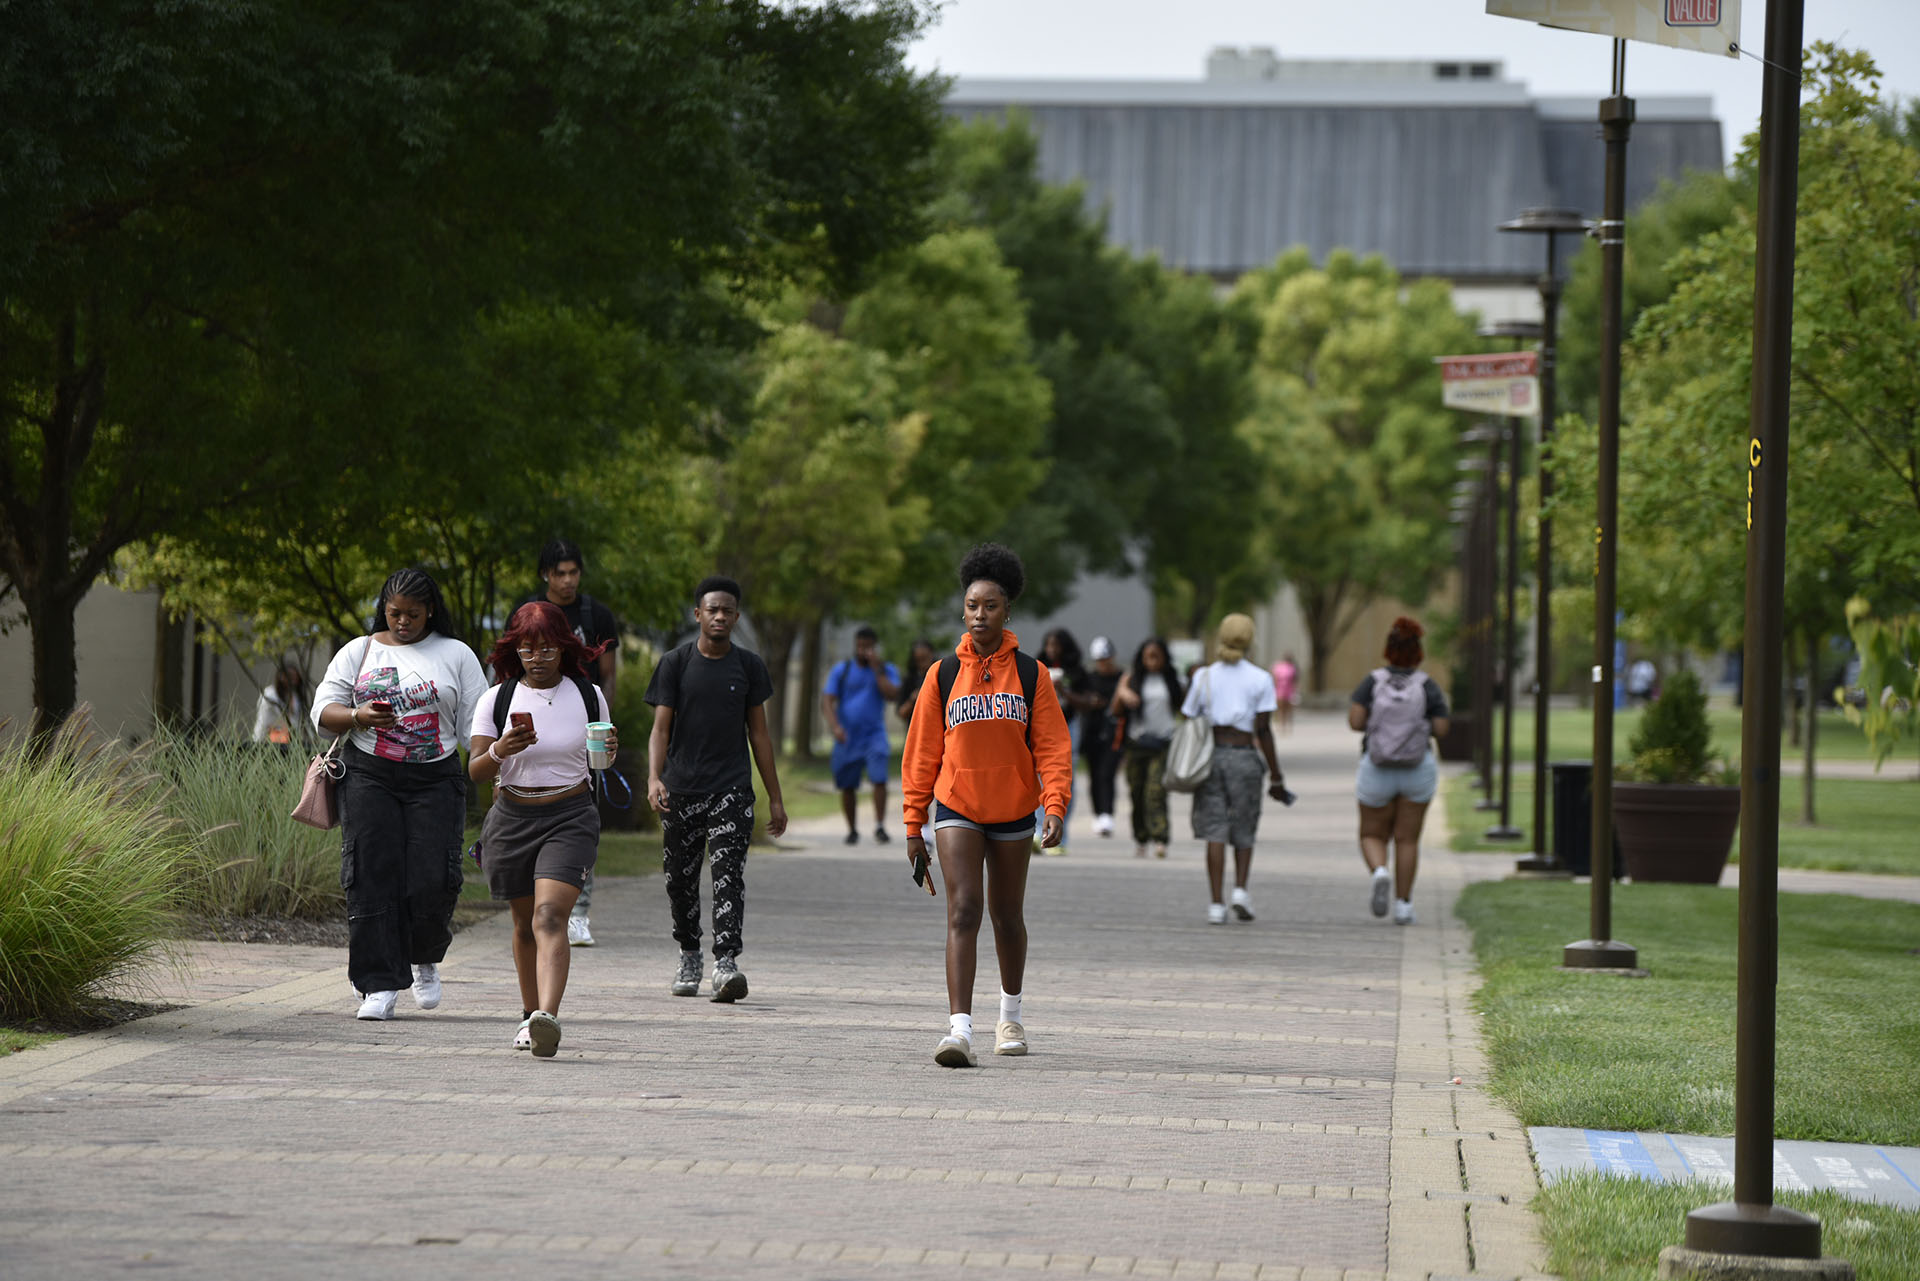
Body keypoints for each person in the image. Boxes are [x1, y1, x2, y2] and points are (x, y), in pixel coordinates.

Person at [901, 543, 1072, 1068]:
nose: (980, 615)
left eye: (990, 606)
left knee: (1007, 915)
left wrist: (1055, 804)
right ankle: (958, 1031)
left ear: (1007, 610)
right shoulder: (942, 674)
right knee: (964, 909)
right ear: (963, 609)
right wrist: (913, 824)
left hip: (1015, 810)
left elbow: (1052, 746)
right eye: (972, 606)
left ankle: (1010, 1015)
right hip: (957, 806)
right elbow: (922, 752)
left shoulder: (1031, 674)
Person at [312, 568, 487, 1021]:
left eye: (413, 613)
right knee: (371, 873)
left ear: (431, 610)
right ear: (383, 610)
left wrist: (499, 768)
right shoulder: (359, 651)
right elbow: (323, 711)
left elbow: (476, 728)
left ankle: (422, 955)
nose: (403, 622)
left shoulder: (457, 654)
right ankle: (378, 983)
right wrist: (358, 715)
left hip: (436, 777)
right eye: (394, 613)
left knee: (433, 877)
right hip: (370, 773)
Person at [468, 602, 616, 1056]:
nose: (538, 658)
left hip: (570, 815)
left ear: (564, 648)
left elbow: (600, 764)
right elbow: (474, 771)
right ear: (516, 650)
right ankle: (528, 1015)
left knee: (549, 916)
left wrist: (609, 749)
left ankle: (546, 1018)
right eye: (528, 649)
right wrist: (500, 749)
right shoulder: (498, 698)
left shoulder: (588, 694)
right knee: (523, 923)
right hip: (512, 818)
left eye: (548, 648)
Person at [644, 576, 788, 1002]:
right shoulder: (675, 663)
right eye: (712, 610)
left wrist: (774, 797)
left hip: (731, 790)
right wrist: (654, 778)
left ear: (737, 616)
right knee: (680, 881)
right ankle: (690, 953)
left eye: (728, 610)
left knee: (728, 877)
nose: (720, 616)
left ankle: (726, 964)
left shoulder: (748, 666)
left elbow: (759, 736)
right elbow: (660, 729)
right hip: (680, 789)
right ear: (698, 615)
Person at [517, 538, 619, 948]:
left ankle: (579, 911)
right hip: (533, 725)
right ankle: (537, 905)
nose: (568, 580)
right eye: (560, 572)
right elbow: (509, 666)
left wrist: (601, 718)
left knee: (582, 815)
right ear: (546, 575)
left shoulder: (597, 615)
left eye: (574, 572)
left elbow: (608, 674)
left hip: (582, 722)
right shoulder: (527, 612)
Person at [1182, 613, 1289, 924]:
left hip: (1211, 756)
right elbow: (1265, 730)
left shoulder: (1203, 676)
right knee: (1244, 824)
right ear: (1250, 640)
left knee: (1215, 830)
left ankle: (1216, 904)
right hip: (1244, 756)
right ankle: (1241, 890)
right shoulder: (1260, 678)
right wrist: (1276, 774)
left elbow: (1189, 716)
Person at [1348, 617, 1450, 926]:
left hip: (1377, 767)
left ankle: (1379, 871)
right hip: (1417, 768)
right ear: (1418, 652)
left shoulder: (1372, 681)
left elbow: (1355, 721)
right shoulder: (1427, 685)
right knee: (1407, 840)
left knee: (1370, 833)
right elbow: (1442, 729)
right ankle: (1404, 905)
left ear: (1388, 650)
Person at [822, 626, 900, 845]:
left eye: (868, 647)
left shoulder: (885, 669)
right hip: (847, 736)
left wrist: (877, 670)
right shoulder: (842, 669)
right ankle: (852, 829)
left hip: (875, 734)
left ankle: (880, 826)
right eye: (860, 646)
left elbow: (893, 694)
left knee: (879, 780)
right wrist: (835, 726)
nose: (864, 650)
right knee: (847, 785)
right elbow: (827, 700)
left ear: (875, 647)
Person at [1112, 637, 1185, 859]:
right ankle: (1141, 838)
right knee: (1137, 792)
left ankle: (1160, 838)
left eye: (1156, 656)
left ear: (1164, 658)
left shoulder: (1173, 680)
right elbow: (1115, 710)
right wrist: (1123, 693)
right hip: (1137, 744)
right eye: (1147, 657)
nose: (1151, 661)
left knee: (1156, 791)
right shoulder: (1132, 678)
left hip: (1162, 743)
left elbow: (1185, 708)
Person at [1032, 627, 1093, 855]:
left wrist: (1063, 690)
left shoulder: (1076, 672)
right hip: (1042, 727)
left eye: (1056, 645)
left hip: (1068, 725)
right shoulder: (1036, 667)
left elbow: (1086, 701)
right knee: (1040, 778)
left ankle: (1060, 835)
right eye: (1049, 645)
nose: (1052, 649)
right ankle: (1039, 832)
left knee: (1066, 779)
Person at [1080, 636, 1124, 838]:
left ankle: (1107, 813)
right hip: (1092, 733)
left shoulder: (1121, 678)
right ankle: (1098, 813)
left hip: (1114, 733)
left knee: (1107, 774)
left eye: (1106, 659)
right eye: (1099, 660)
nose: (1103, 664)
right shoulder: (1089, 679)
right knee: (1094, 775)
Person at [252, 661, 311, 750]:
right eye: (290, 676)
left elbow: (298, 720)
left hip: (289, 740)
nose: (293, 679)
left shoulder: (295, 696)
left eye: (295, 676)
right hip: (268, 738)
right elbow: (266, 719)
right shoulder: (270, 694)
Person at [894, 639, 938, 730]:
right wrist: (913, 699)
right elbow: (901, 713)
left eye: (925, 658)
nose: (923, 664)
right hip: (915, 731)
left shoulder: (941, 675)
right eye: (919, 660)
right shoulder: (909, 680)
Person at [1270, 653, 1300, 736]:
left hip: (1284, 691)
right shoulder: (1289, 668)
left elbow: (1275, 679)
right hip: (1285, 691)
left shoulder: (1282, 667)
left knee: (1284, 710)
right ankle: (1284, 726)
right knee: (1284, 710)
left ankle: (1284, 725)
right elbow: (1295, 680)